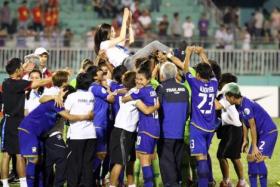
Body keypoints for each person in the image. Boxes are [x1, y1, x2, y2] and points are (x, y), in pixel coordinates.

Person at [18, 84, 92, 187]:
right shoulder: (56, 103)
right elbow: (69, 116)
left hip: (38, 134)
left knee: (40, 161)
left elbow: (43, 100)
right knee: (33, 159)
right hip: (29, 130)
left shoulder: (59, 102)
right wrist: (86, 116)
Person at [1, 58, 52, 187]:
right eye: (21, 68)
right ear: (17, 70)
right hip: (14, 121)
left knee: (9, 154)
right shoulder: (19, 84)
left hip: (11, 120)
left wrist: (23, 67)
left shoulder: (6, 82)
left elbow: (18, 73)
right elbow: (37, 82)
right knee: (16, 154)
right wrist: (53, 78)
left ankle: (6, 183)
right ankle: (22, 184)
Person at [218, 83, 278, 187]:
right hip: (261, 134)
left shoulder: (246, 106)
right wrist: (245, 139)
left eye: (227, 97)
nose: (226, 100)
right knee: (250, 158)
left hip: (268, 132)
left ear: (232, 97)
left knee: (257, 158)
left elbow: (253, 126)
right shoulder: (238, 105)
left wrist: (254, 146)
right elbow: (245, 123)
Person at [109, 71, 159, 187]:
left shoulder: (134, 92)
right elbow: (146, 110)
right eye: (137, 79)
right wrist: (156, 106)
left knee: (130, 161)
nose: (139, 81)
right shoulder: (136, 97)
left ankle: (131, 185)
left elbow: (124, 93)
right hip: (122, 131)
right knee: (120, 163)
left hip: (130, 133)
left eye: (141, 79)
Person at [183, 46, 218, 187]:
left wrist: (188, 54)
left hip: (197, 128)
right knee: (204, 156)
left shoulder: (195, 84)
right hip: (210, 128)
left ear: (197, 74)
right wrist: (203, 54)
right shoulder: (214, 84)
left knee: (201, 159)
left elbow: (185, 70)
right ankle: (207, 182)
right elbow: (212, 72)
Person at [94, 8, 172, 70]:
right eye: (112, 31)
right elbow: (122, 37)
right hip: (127, 63)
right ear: (106, 33)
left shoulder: (113, 45)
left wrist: (129, 25)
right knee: (155, 44)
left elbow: (129, 40)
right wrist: (124, 19)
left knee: (154, 56)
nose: (114, 33)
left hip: (130, 61)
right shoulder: (103, 44)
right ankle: (175, 54)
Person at [156, 62, 189, 186]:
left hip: (165, 134)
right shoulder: (184, 89)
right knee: (177, 163)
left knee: (167, 165)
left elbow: (157, 110)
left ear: (162, 75)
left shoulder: (161, 88)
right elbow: (187, 112)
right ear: (175, 74)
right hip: (179, 133)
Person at [215, 73, 248, 187]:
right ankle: (227, 181)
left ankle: (242, 181)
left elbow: (217, 106)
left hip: (234, 129)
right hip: (227, 128)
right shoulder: (224, 93)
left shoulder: (228, 95)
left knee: (234, 157)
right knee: (221, 155)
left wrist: (207, 95)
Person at [65, 73, 96, 187]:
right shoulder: (91, 95)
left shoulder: (72, 96)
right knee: (87, 164)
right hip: (91, 134)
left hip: (76, 135)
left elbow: (65, 113)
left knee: (74, 164)